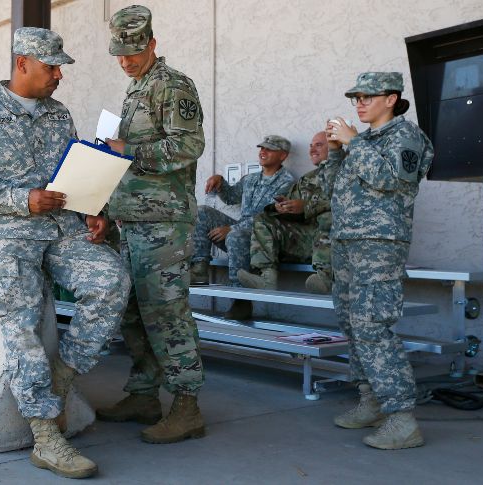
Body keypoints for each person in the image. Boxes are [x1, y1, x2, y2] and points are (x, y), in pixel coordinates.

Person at [0, 27, 131, 479]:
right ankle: (46, 435)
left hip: (61, 228)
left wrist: (95, 210)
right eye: (51, 67)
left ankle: (64, 378)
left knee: (112, 280)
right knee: (22, 323)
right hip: (6, 234)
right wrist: (20, 199)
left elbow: (72, 172)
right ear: (22, 63)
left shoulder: (58, 114)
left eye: (60, 67)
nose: (58, 75)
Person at [94, 4, 207, 445]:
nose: (125, 62)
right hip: (133, 222)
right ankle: (143, 395)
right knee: (135, 315)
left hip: (164, 224)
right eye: (120, 55)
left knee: (167, 314)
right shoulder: (136, 88)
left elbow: (189, 144)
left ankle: (187, 406)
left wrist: (129, 151)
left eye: (133, 54)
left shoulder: (172, 85)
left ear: (152, 44)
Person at [318, 72, 434, 450]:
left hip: (380, 244)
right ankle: (371, 402)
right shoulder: (362, 142)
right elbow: (331, 190)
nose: (359, 103)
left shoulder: (406, 137)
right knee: (351, 324)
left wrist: (353, 142)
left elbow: (391, 181)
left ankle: (402, 419)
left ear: (391, 98)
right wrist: (337, 151)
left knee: (373, 326)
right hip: (348, 242)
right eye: (356, 97)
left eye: (368, 96)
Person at [190, 135, 294, 319]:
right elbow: (231, 197)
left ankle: (241, 301)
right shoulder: (251, 179)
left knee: (235, 236)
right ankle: (199, 268)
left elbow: (269, 214)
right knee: (202, 211)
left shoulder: (287, 182)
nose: (263, 152)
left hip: (265, 237)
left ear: (283, 156)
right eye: (262, 148)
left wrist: (232, 229)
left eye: (269, 149)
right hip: (241, 230)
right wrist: (220, 181)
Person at [238, 131, 333, 294]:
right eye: (311, 146)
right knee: (263, 218)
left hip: (331, 245)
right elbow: (293, 207)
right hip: (304, 241)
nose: (312, 150)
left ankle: (325, 277)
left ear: (334, 147)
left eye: (319, 145)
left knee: (328, 217)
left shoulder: (346, 173)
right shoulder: (307, 179)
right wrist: (282, 208)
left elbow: (346, 204)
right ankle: (267, 278)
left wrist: (307, 206)